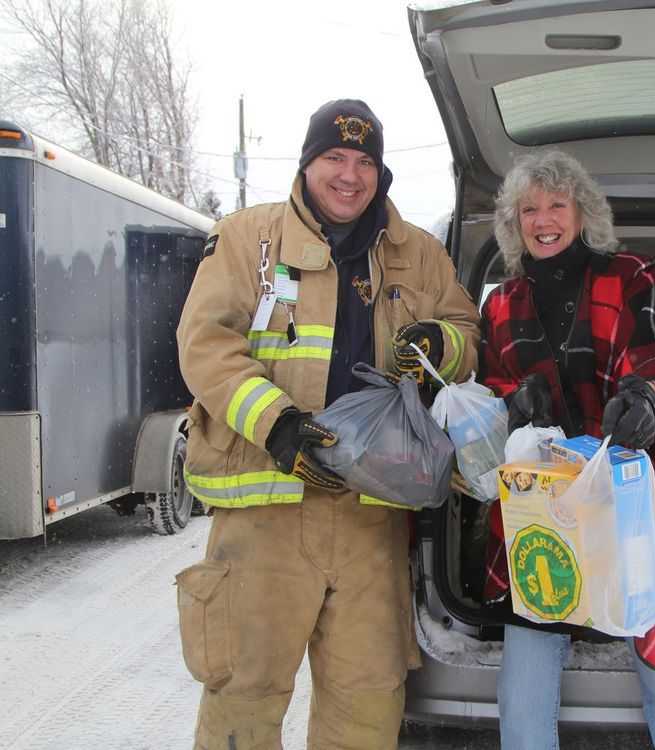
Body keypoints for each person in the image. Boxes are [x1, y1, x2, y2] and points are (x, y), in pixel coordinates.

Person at [174, 99, 480, 750]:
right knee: (243, 701)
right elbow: (204, 343)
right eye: (334, 158)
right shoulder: (246, 239)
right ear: (308, 164)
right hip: (265, 506)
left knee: (367, 705)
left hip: (371, 513)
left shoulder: (418, 255)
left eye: (364, 160)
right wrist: (276, 425)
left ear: (381, 172)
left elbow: (468, 335)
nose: (349, 174)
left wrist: (440, 347)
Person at [478, 149, 655, 749]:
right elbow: (491, 381)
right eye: (528, 209)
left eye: (556, 204)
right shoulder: (501, 303)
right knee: (522, 691)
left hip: (633, 505)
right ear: (514, 223)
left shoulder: (633, 275)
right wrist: (517, 397)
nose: (543, 219)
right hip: (543, 509)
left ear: (581, 212)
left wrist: (645, 396)